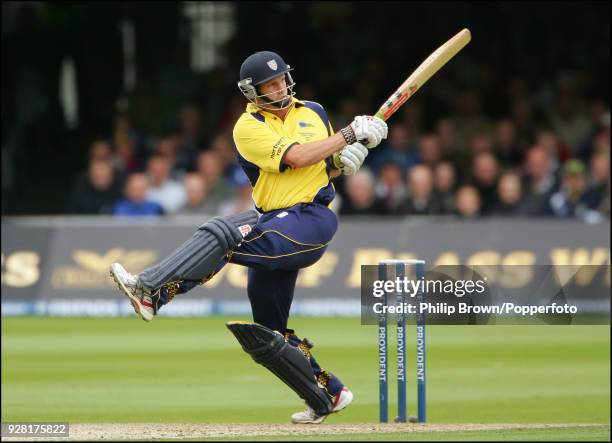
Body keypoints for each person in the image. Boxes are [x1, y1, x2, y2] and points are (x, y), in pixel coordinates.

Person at [109, 51, 387, 424]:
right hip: (275, 220)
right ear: (252, 92)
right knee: (266, 334)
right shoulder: (248, 127)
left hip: (312, 220)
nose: (280, 88)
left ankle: (151, 291)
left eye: (282, 79)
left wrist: (343, 161)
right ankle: (328, 394)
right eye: (270, 84)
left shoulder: (315, 112)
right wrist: (346, 141)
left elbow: (318, 167)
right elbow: (300, 158)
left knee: (222, 231)